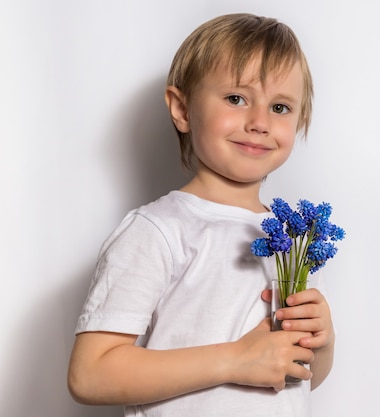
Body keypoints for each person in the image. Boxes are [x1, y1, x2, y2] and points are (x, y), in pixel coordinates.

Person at [67, 13, 335, 417]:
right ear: (182, 109)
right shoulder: (158, 230)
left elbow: (299, 376)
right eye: (236, 98)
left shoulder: (287, 238)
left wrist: (323, 340)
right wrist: (235, 359)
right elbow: (90, 373)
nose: (260, 122)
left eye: (280, 106)